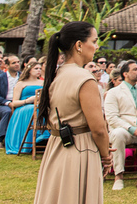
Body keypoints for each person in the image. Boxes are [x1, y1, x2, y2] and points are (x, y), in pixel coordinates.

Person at [32, 21, 111, 204]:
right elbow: (98, 129)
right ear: (79, 45)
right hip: (80, 149)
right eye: (94, 40)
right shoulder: (85, 79)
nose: (97, 46)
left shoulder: (57, 74)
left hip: (57, 146)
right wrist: (106, 156)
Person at [104, 60, 137, 188]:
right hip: (123, 130)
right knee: (118, 134)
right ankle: (118, 177)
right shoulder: (113, 93)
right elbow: (112, 118)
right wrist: (131, 129)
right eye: (135, 70)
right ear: (125, 74)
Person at [6, 59, 47, 155]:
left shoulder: (43, 83)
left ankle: (44, 138)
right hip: (24, 107)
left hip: (40, 106)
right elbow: (14, 102)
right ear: (29, 70)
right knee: (32, 109)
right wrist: (27, 101)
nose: (39, 70)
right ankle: (35, 139)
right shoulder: (21, 83)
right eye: (36, 68)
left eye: (40, 68)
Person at [0, 55, 21, 149]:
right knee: (7, 111)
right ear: (6, 65)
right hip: (2, 104)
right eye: (14, 63)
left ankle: (20, 139)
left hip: (19, 102)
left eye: (18, 62)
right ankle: (0, 140)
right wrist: (8, 103)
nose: (17, 64)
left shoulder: (23, 77)